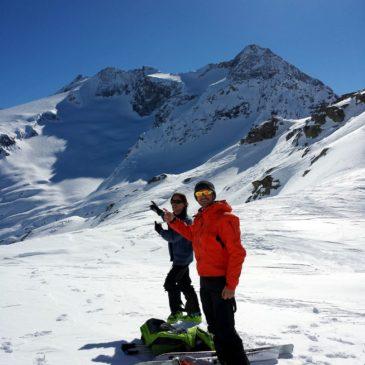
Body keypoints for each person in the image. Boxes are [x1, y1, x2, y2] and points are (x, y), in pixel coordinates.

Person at [163, 181, 250, 365]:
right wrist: (172, 221)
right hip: (205, 282)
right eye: (199, 194)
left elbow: (237, 253)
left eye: (206, 192)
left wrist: (231, 285)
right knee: (214, 329)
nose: (203, 196)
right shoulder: (200, 219)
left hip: (221, 284)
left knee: (226, 330)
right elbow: (190, 234)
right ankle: (226, 361)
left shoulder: (226, 218)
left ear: (213, 193)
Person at [150, 193, 202, 324]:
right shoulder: (175, 216)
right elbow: (166, 216)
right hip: (181, 258)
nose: (174, 205)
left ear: (185, 204)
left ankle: (177, 312)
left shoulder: (186, 221)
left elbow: (173, 237)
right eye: (173, 203)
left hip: (182, 260)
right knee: (185, 285)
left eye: (178, 203)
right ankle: (194, 313)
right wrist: (157, 210)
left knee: (170, 283)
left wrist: (160, 231)